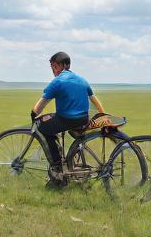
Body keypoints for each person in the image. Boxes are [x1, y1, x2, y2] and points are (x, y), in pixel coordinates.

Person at [30, 52, 105, 186]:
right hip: (83, 119)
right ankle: (65, 160)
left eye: (53, 66)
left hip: (66, 119)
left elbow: (42, 103)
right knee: (53, 119)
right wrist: (102, 114)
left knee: (43, 126)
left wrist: (33, 114)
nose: (53, 70)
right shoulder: (82, 79)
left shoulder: (57, 81)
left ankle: (57, 166)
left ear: (59, 66)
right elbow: (94, 99)